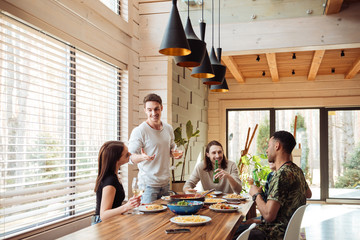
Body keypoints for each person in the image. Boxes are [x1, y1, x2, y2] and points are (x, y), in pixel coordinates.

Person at [248, 130, 308, 240]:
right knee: (243, 226)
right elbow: (308, 193)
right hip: (289, 231)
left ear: (277, 146)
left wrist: (256, 194)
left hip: (273, 234)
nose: (267, 150)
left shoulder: (280, 174)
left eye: (269, 145)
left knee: (231, 233)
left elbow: (268, 216)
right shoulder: (297, 170)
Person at [128, 93, 181, 203]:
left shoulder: (168, 129)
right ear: (145, 111)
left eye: (156, 109)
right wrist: (142, 157)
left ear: (161, 108)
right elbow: (130, 157)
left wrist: (175, 153)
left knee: (166, 218)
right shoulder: (139, 131)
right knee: (148, 219)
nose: (154, 113)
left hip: (166, 184)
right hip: (148, 186)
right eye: (150, 110)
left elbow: (171, 149)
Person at [93, 141, 141, 225]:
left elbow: (114, 205)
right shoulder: (110, 181)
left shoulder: (114, 176)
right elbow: (103, 215)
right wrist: (126, 207)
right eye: (126, 154)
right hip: (102, 226)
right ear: (116, 159)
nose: (130, 154)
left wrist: (130, 204)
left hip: (112, 222)